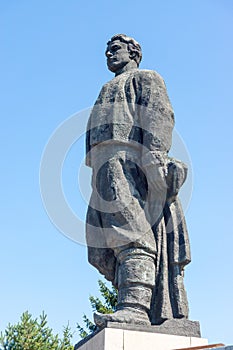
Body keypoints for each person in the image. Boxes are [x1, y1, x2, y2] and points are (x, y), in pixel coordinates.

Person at [85, 34, 191, 327]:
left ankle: (135, 308)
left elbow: (158, 115)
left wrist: (155, 157)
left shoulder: (147, 78)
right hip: (103, 168)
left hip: (128, 160)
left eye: (115, 48)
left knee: (132, 232)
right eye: (106, 49)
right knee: (103, 242)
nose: (108, 53)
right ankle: (129, 301)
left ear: (133, 52)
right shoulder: (106, 87)